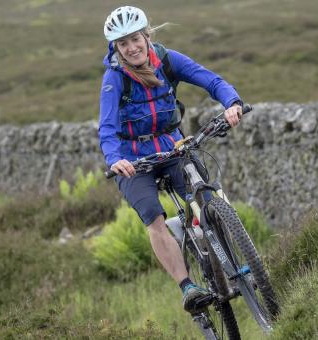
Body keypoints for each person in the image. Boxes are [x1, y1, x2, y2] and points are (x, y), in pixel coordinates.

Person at [98, 6, 244, 313]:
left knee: (204, 195)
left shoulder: (167, 60)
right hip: (132, 159)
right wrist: (115, 159)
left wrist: (232, 103)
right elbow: (107, 129)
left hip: (171, 145)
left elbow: (211, 81)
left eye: (135, 39)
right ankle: (188, 286)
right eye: (123, 44)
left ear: (146, 35)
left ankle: (230, 257)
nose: (131, 47)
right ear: (116, 48)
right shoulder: (114, 79)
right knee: (153, 215)